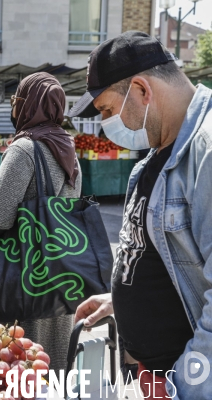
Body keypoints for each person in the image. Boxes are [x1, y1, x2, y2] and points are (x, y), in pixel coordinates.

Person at [68, 31, 212, 399]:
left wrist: (185, 385)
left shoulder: (206, 153)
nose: (105, 124)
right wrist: (121, 297)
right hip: (154, 374)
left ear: (141, 90)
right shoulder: (155, 153)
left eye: (106, 110)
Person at [0, 72, 82, 373]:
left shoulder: (24, 149)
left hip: (24, 274)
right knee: (53, 361)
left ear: (28, 105)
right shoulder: (68, 149)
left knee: (23, 362)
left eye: (16, 101)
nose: (14, 107)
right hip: (61, 273)